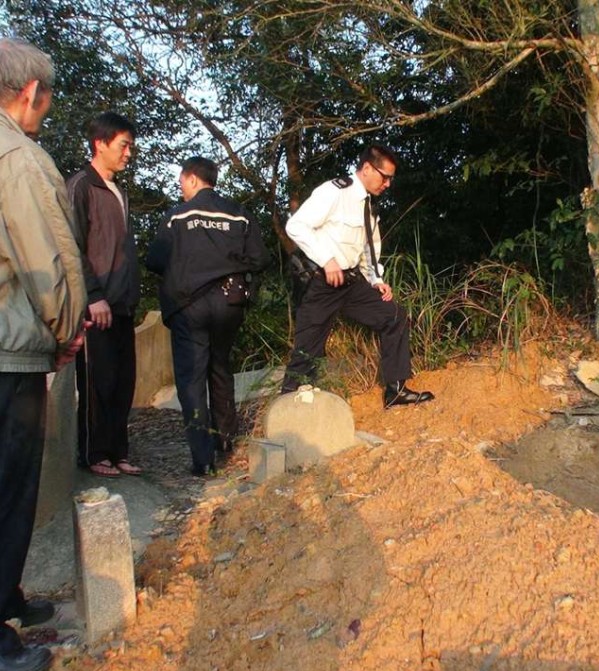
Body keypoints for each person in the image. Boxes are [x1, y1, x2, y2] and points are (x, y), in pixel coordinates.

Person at [0, 36, 88, 671]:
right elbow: (44, 257)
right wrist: (66, 327)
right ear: (30, 92)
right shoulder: (19, 158)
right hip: (8, 348)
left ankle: (7, 596)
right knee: (8, 485)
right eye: (46, 101)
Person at [281, 144, 435, 408]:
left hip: (352, 283)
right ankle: (288, 413)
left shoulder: (369, 207)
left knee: (394, 316)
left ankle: (395, 391)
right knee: (308, 349)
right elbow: (296, 225)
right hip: (323, 282)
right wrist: (327, 260)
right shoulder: (334, 192)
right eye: (384, 176)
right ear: (366, 168)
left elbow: (369, 249)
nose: (387, 183)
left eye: (390, 179)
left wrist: (377, 280)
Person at [145, 157, 271, 476]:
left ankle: (203, 459)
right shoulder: (238, 214)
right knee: (220, 366)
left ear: (190, 179)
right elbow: (259, 258)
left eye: (181, 181)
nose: (180, 187)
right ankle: (226, 440)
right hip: (229, 302)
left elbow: (155, 260)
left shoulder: (176, 216)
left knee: (191, 379)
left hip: (189, 305)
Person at [66, 112, 142, 477]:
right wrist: (92, 295)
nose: (129, 152)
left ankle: (118, 451)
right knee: (98, 383)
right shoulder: (81, 186)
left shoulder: (119, 192)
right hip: (96, 305)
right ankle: (95, 453)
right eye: (124, 145)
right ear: (101, 143)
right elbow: (71, 247)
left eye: (130, 146)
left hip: (122, 303)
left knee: (123, 383)